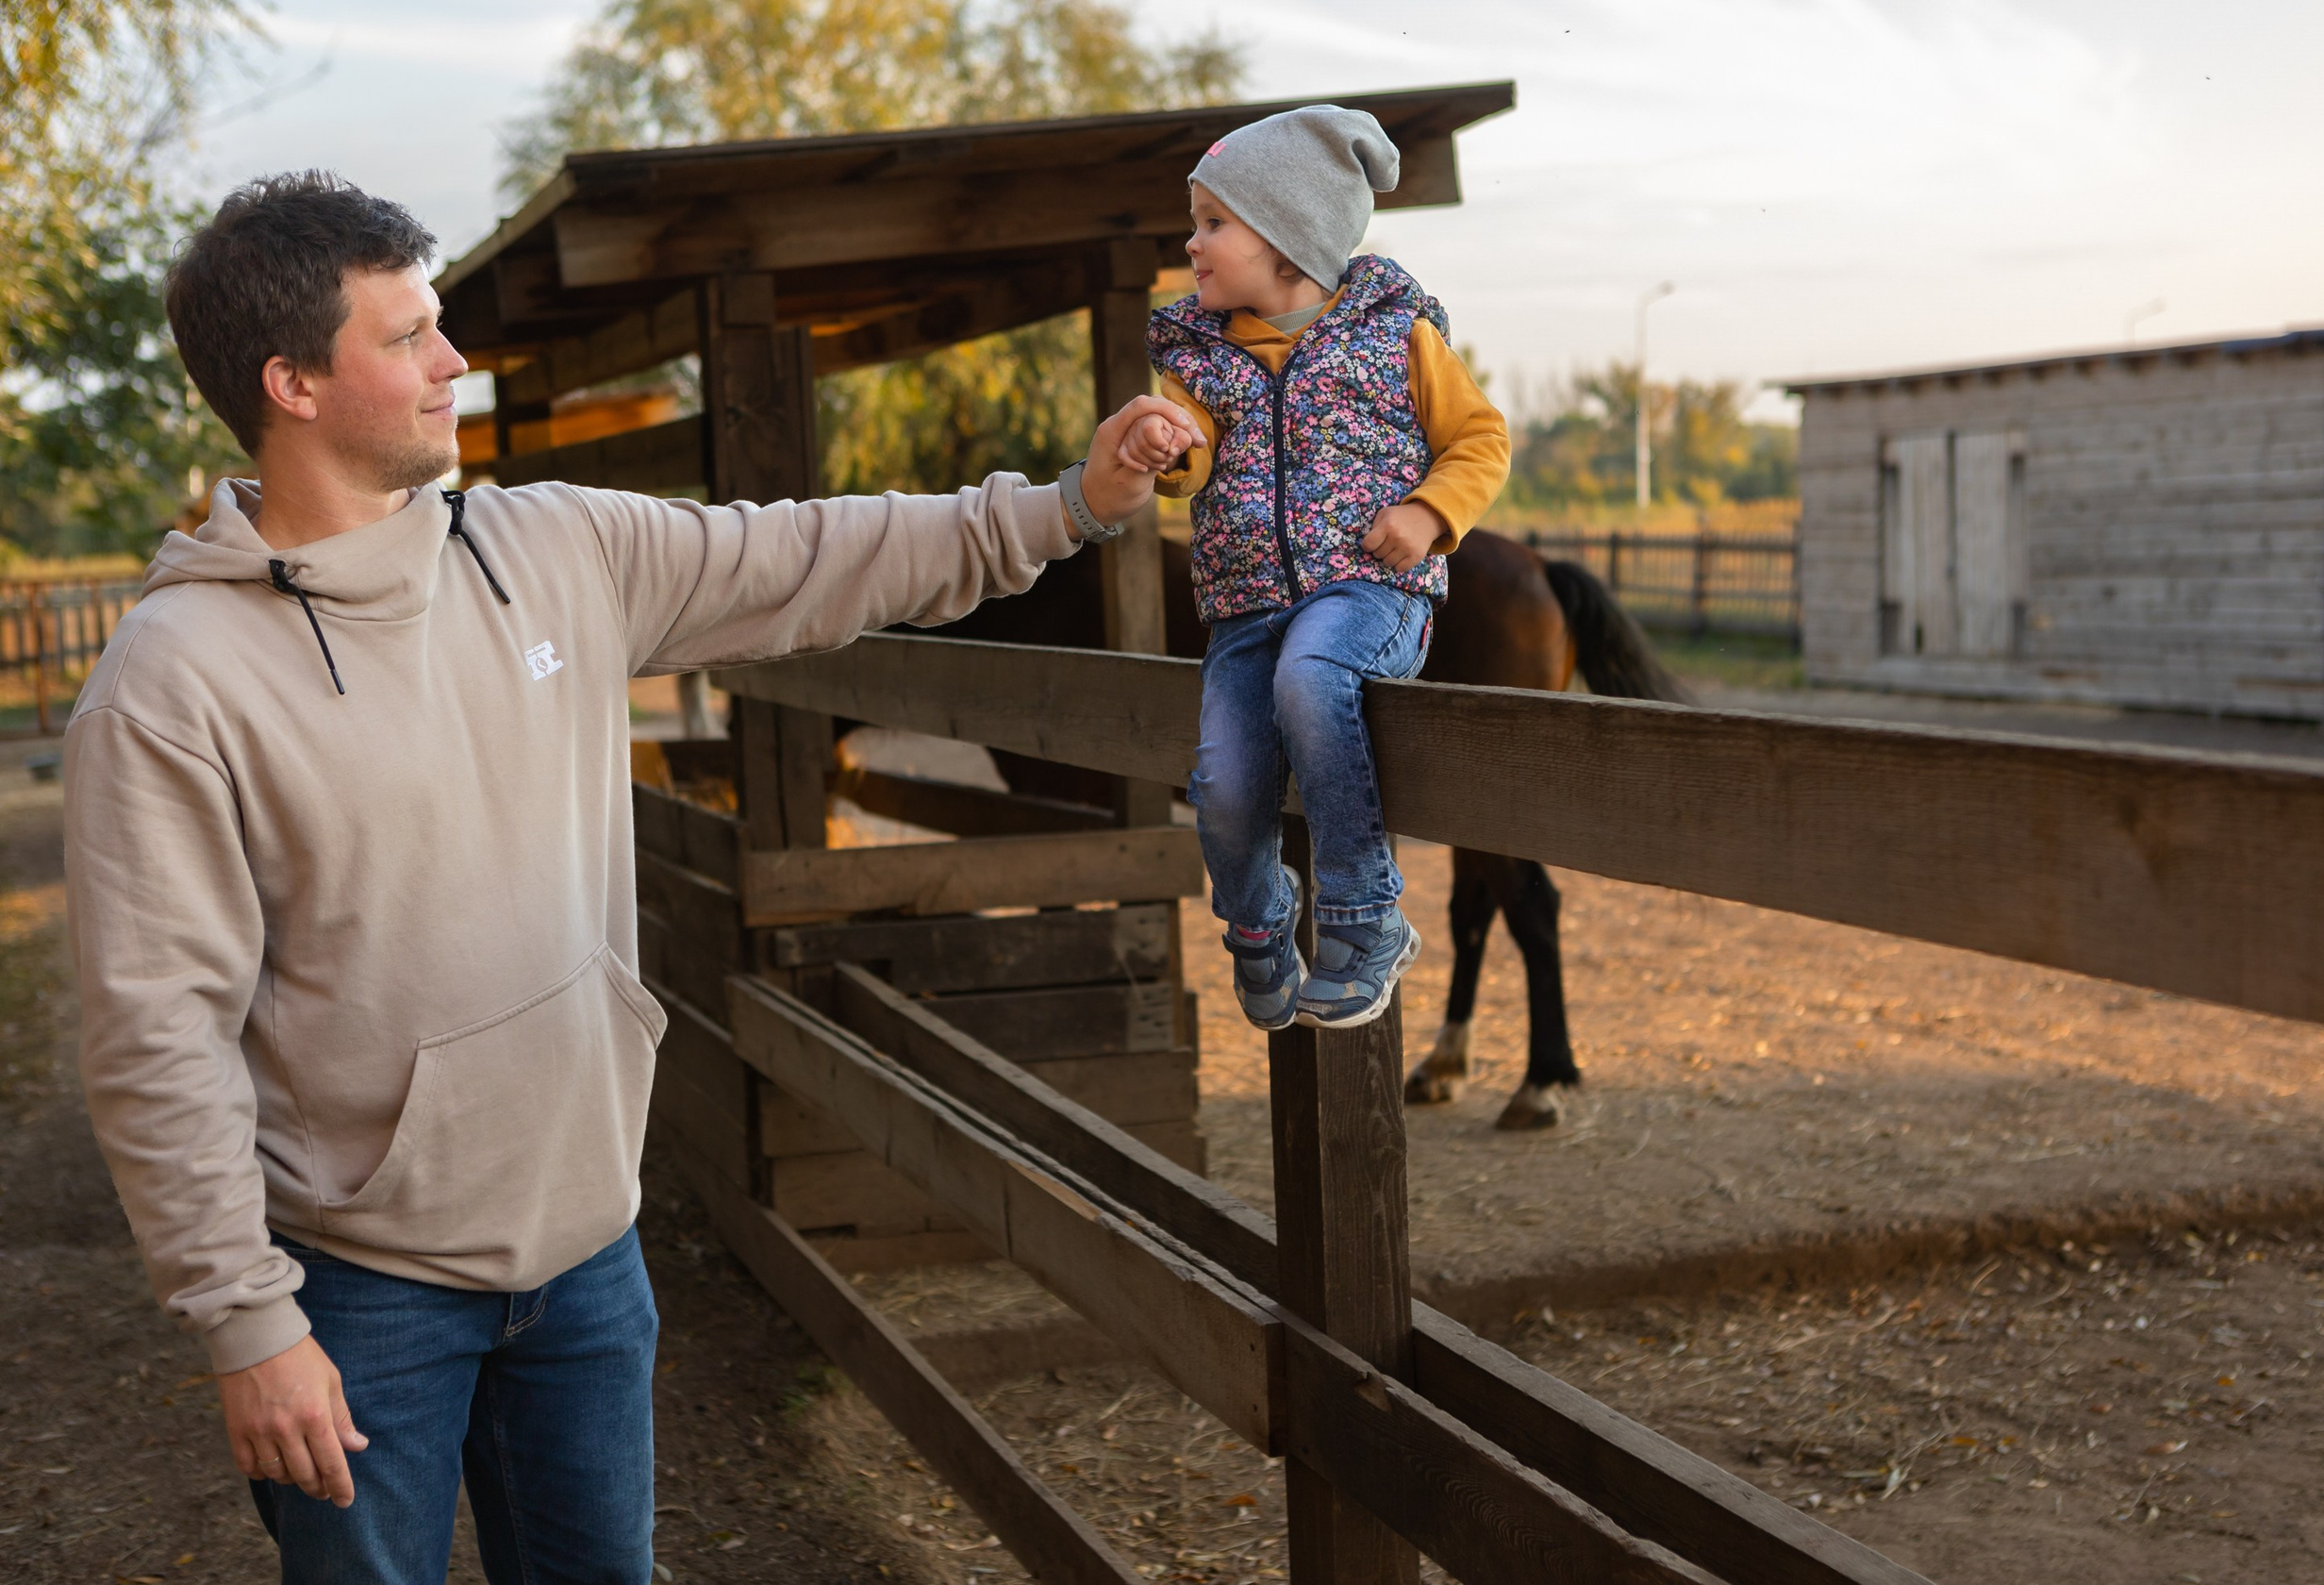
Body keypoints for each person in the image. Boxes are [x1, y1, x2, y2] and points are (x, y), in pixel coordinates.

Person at [62, 171, 1195, 1585]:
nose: (452, 360)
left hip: (588, 1246)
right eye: (407, 335)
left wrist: (1067, 504)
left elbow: (816, 551)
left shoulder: (555, 549)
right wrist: (249, 1325)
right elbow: (154, 1033)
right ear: (290, 381)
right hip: (355, 1292)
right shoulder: (171, 685)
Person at [1118, 106, 1509, 1032]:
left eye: (1213, 222)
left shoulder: (1395, 336)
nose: (1192, 241)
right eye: (1195, 219)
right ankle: (1257, 927)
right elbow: (1195, 458)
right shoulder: (1202, 359)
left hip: (1368, 591)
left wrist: (1427, 511)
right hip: (1247, 607)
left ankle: (1364, 918)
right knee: (1219, 782)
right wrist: (1168, 448)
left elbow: (1479, 439)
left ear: (1287, 243)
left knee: (1315, 674)